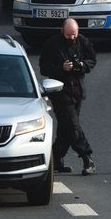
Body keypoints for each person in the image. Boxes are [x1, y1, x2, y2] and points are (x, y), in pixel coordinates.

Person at [39, 18, 97, 176]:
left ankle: (56, 158)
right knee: (72, 126)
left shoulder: (82, 41)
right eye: (68, 35)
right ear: (62, 31)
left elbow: (92, 60)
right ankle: (87, 158)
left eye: (74, 35)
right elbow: (44, 68)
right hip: (59, 92)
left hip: (77, 91)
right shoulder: (52, 45)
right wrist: (61, 68)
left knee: (67, 128)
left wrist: (81, 66)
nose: (72, 38)